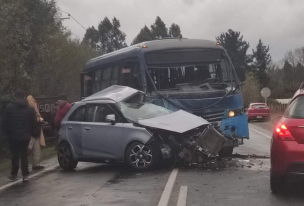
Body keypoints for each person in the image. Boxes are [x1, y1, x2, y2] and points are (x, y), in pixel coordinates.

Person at [1, 92, 38, 182]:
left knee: (14, 155)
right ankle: (25, 174)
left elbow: (4, 122)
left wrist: (7, 133)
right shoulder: (30, 109)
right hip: (25, 136)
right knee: (24, 155)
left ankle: (14, 173)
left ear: (15, 97)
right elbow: (34, 123)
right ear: (24, 97)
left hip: (13, 136)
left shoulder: (9, 107)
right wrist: (31, 133)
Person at [27, 95, 46, 170]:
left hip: (31, 132)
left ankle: (31, 164)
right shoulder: (32, 110)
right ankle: (34, 164)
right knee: (33, 149)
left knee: (31, 149)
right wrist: (39, 122)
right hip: (33, 132)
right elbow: (34, 122)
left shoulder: (27, 110)